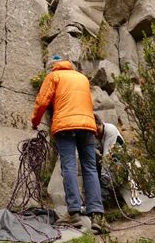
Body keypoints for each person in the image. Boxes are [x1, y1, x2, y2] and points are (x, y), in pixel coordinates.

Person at [31, 55, 107, 233]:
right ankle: (97, 215)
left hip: (65, 126)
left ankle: (73, 213)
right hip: (87, 126)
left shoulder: (54, 76)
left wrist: (35, 122)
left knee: (69, 166)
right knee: (90, 168)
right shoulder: (81, 78)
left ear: (54, 66)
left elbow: (42, 101)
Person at [94, 114, 126, 203]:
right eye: (94, 132)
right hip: (106, 161)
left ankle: (101, 200)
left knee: (106, 173)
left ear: (101, 124)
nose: (96, 134)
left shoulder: (110, 130)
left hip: (119, 161)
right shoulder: (93, 135)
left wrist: (104, 175)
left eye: (98, 130)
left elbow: (107, 155)